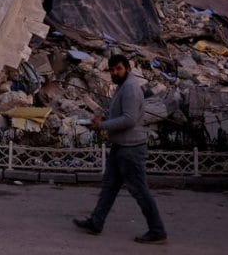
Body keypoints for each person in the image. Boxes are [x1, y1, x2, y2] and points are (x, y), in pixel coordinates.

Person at [72, 54, 167, 244]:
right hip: (121, 146)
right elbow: (120, 114)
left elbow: (129, 119)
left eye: (119, 69)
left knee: (140, 191)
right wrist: (103, 119)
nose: (115, 72)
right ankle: (96, 222)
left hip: (131, 149)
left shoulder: (130, 88)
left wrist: (102, 126)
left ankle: (157, 231)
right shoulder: (123, 86)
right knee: (109, 186)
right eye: (113, 69)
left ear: (128, 69)